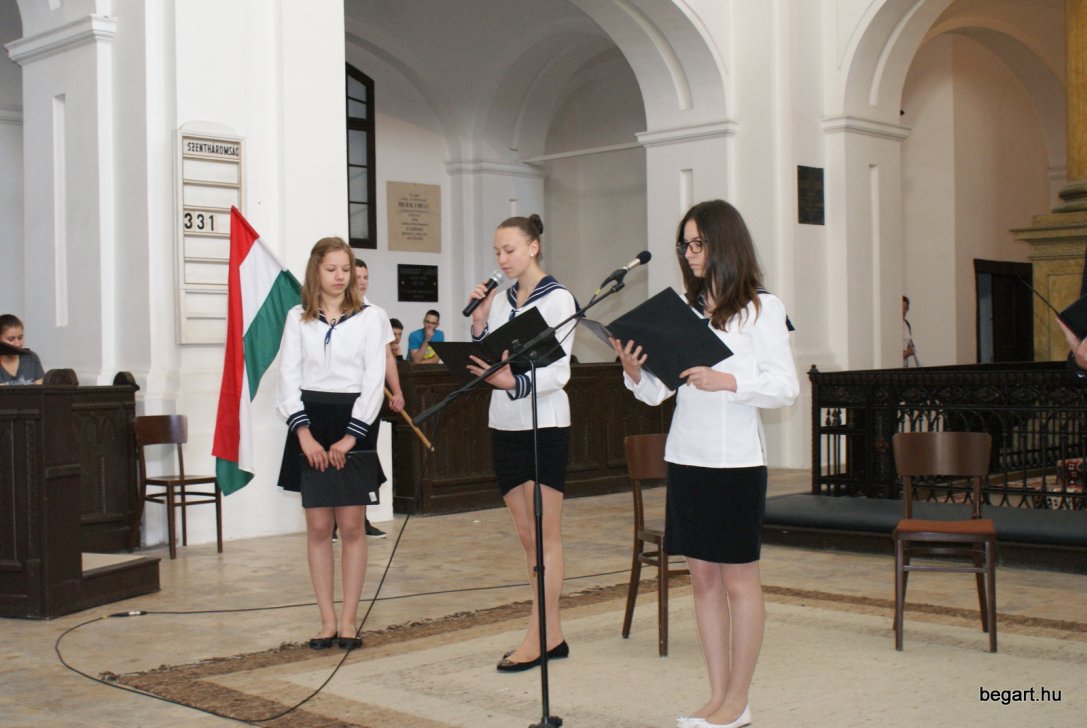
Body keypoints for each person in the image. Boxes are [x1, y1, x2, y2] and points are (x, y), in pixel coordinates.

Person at [611, 200, 798, 728]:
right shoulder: (686, 312)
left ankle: (739, 698)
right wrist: (634, 371)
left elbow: (785, 388)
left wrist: (728, 380)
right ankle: (717, 697)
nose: (690, 254)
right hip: (687, 457)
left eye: (698, 244)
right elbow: (658, 392)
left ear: (725, 244)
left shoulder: (761, 308)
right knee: (701, 580)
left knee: (739, 581)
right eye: (685, 245)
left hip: (736, 462)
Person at [464, 214, 577, 672]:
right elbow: (489, 356)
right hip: (505, 423)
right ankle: (553, 633)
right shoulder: (501, 300)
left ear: (533, 247)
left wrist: (514, 381)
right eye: (496, 251)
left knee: (546, 535)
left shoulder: (558, 298)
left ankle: (540, 634)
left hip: (544, 423)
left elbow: (559, 372)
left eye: (509, 250)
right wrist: (479, 321)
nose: (502, 259)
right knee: (527, 538)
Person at [276, 237, 387, 650]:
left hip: (354, 419)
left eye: (345, 269)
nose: (340, 277)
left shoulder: (372, 317)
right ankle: (326, 621)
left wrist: (350, 436)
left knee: (352, 526)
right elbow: (288, 379)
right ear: (316, 271)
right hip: (310, 422)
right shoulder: (297, 318)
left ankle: (348, 621)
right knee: (320, 527)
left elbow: (373, 380)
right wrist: (303, 435)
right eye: (331, 269)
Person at [354, 257, 405, 539]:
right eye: (357, 277)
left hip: (369, 402)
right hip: (341, 399)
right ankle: (336, 522)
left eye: (366, 277)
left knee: (363, 459)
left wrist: (397, 391)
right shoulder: (335, 313)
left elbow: (388, 356)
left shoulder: (376, 314)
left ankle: (360, 519)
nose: (362, 282)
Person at [0, 314, 44, 385]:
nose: (17, 344)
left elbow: (40, 389)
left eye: (20, 338)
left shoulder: (31, 358)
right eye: (11, 339)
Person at [902, 295, 919, 367]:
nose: (904, 311)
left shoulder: (906, 324)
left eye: (905, 308)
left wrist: (911, 350)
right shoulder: (892, 326)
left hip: (905, 364)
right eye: (902, 308)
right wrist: (907, 353)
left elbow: (911, 345)